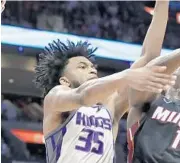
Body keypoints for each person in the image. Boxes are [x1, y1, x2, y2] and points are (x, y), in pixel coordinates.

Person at [34, 1, 171, 163]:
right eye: (82, 67)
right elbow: (83, 96)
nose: (92, 70)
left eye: (92, 67)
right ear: (64, 80)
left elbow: (148, 57)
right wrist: (127, 76)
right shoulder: (55, 97)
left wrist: (163, 3)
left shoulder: (110, 106)